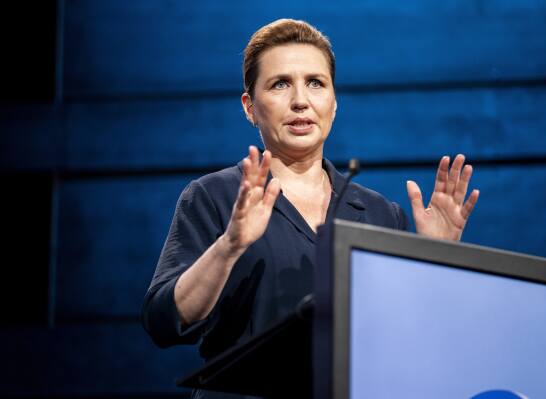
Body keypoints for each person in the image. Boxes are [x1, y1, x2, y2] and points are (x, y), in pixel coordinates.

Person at [141, 18, 479, 399]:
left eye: (316, 83)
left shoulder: (380, 214)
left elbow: (411, 338)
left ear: (333, 105)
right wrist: (229, 245)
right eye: (280, 83)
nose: (300, 100)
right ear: (250, 107)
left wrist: (436, 260)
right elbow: (164, 322)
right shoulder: (214, 196)